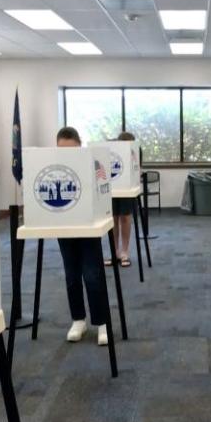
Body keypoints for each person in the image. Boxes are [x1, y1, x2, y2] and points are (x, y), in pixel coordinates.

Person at [56, 126, 110, 346]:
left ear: (80, 145)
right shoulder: (54, 167)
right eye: (62, 149)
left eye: (71, 149)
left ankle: (102, 321)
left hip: (88, 227)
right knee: (71, 276)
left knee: (92, 274)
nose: (67, 154)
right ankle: (78, 319)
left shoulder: (92, 163)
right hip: (63, 226)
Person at [110, 131, 136, 268]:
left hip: (127, 189)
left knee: (125, 218)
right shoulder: (112, 151)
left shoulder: (135, 151)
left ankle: (124, 251)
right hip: (113, 189)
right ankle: (115, 252)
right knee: (113, 219)